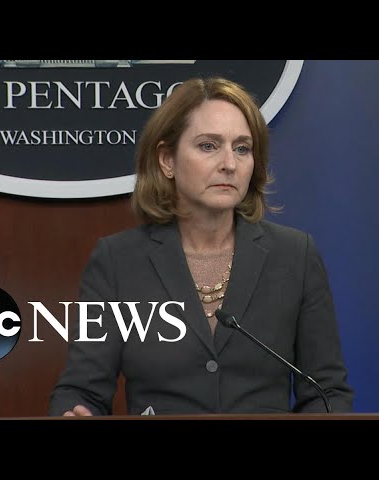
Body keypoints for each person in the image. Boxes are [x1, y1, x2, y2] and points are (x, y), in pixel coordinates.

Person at [48, 76, 354, 416]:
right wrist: (75, 412)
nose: (229, 164)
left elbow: (327, 392)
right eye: (209, 146)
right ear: (167, 159)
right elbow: (81, 390)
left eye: (242, 148)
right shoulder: (118, 262)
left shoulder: (295, 256)